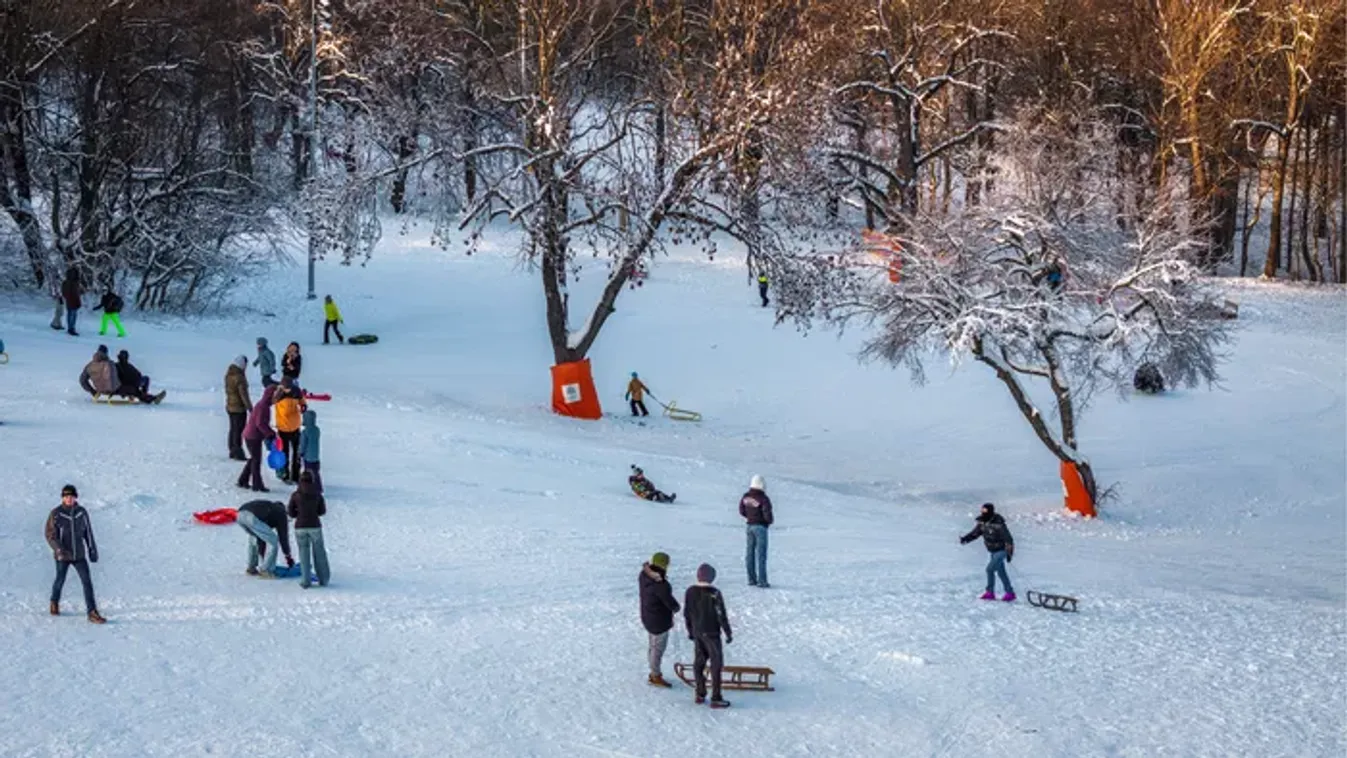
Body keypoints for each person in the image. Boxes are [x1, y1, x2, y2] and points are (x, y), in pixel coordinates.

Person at [45, 484, 106, 623]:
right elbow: (50, 534)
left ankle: (92, 612)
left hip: (79, 555)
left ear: (75, 497)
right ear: (62, 498)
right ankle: (54, 601)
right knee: (60, 580)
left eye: (71, 496)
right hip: (63, 555)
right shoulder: (56, 513)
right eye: (66, 497)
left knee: (87, 582)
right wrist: (58, 549)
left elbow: (88, 532)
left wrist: (92, 550)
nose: (69, 499)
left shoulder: (81, 512)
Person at [683, 563, 732, 708]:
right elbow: (721, 615)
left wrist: (690, 631)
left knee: (699, 662)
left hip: (698, 632)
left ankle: (700, 693)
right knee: (716, 664)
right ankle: (716, 697)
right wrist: (727, 632)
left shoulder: (690, 591)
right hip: (712, 633)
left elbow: (687, 613)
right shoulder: (714, 593)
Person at [639, 552, 680, 687]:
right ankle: (655, 674)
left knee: (653, 646)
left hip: (648, 616)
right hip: (659, 621)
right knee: (657, 649)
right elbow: (669, 602)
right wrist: (676, 607)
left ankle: (653, 671)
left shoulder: (644, 575)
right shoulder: (661, 585)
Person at [960, 502, 1016, 601]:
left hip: (1001, 551)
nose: (983, 513)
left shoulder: (998, 524)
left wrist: (1009, 553)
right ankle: (1010, 593)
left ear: (990, 511)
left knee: (989, 569)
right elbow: (975, 533)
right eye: (982, 511)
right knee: (1001, 573)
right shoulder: (982, 523)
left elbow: (1008, 539)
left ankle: (990, 592)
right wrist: (965, 539)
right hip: (992, 551)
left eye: (985, 511)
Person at [288, 470, 330, 588]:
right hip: (315, 526)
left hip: (300, 526)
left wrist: (299, 513)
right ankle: (323, 579)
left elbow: (290, 512)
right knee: (319, 552)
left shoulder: (296, 495)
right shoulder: (317, 494)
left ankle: (306, 580)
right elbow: (322, 511)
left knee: (303, 552)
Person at [237, 384, 278, 492]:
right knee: (256, 460)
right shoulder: (263, 407)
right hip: (252, 436)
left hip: (252, 435)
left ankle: (243, 480)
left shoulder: (263, 405)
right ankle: (257, 485)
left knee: (253, 458)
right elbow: (260, 424)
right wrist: (270, 434)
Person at [236, 499, 293, 578]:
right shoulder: (281, 513)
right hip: (251, 516)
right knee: (273, 542)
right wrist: (288, 556)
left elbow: (261, 538)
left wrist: (262, 556)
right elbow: (283, 537)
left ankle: (251, 568)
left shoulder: (268, 510)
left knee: (254, 538)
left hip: (239, 515)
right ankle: (266, 571)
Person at [740, 475, 773, 588]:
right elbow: (767, 514)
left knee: (750, 553)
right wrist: (767, 522)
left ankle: (751, 579)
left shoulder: (746, 497)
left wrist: (750, 517)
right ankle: (762, 581)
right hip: (761, 527)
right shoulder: (763, 498)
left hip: (749, 526)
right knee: (761, 555)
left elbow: (741, 510)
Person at [273, 377, 305, 484]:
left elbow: (302, 401)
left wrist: (303, 406)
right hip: (283, 429)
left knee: (297, 453)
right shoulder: (278, 394)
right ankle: (285, 475)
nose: (288, 390)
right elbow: (272, 401)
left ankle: (296, 475)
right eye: (286, 388)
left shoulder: (296, 391)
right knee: (284, 453)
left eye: (289, 388)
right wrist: (279, 391)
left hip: (295, 427)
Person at [225, 356, 251, 460]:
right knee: (239, 430)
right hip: (239, 407)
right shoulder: (239, 377)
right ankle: (238, 452)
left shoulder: (229, 374)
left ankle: (232, 450)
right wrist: (249, 407)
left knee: (233, 429)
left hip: (230, 406)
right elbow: (243, 395)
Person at [299, 408, 323, 493]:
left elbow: (303, 444)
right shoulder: (317, 430)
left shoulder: (305, 432)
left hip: (308, 457)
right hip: (316, 456)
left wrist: (300, 453)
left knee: (309, 473)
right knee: (316, 472)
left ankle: (310, 488)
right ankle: (319, 487)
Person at [60, 269, 81, 336]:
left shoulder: (74, 282)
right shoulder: (69, 282)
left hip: (73, 300)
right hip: (72, 300)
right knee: (72, 314)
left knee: (73, 314)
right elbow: (66, 292)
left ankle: (71, 328)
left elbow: (77, 292)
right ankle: (71, 328)